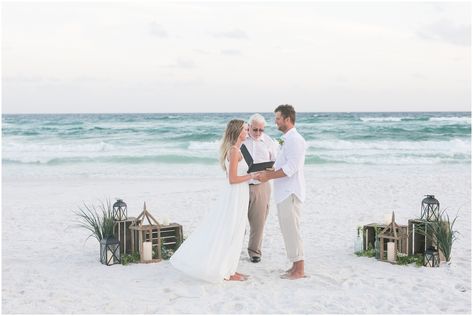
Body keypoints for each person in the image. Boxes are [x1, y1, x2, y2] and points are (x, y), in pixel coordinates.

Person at [170, 119, 260, 283]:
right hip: (235, 193)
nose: (248, 131)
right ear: (237, 132)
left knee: (237, 231)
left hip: (240, 193)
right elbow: (232, 179)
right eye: (246, 129)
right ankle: (228, 272)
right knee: (231, 231)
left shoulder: (238, 150)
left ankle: (230, 269)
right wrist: (252, 176)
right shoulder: (234, 151)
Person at [258, 105, 307, 280]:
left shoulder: (295, 140)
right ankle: (294, 265)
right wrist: (268, 170)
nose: (275, 121)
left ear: (287, 119)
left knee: (293, 230)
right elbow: (281, 164)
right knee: (288, 230)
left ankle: (299, 270)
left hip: (290, 192)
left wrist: (268, 176)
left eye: (278, 118)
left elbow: (291, 168)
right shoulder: (286, 139)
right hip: (283, 192)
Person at [242, 113, 277, 263]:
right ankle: (233, 250)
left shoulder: (269, 142)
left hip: (261, 186)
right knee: (237, 221)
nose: (257, 133)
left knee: (258, 222)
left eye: (260, 130)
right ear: (248, 127)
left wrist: (267, 171)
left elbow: (275, 165)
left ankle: (254, 252)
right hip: (241, 186)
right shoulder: (242, 140)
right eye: (254, 129)